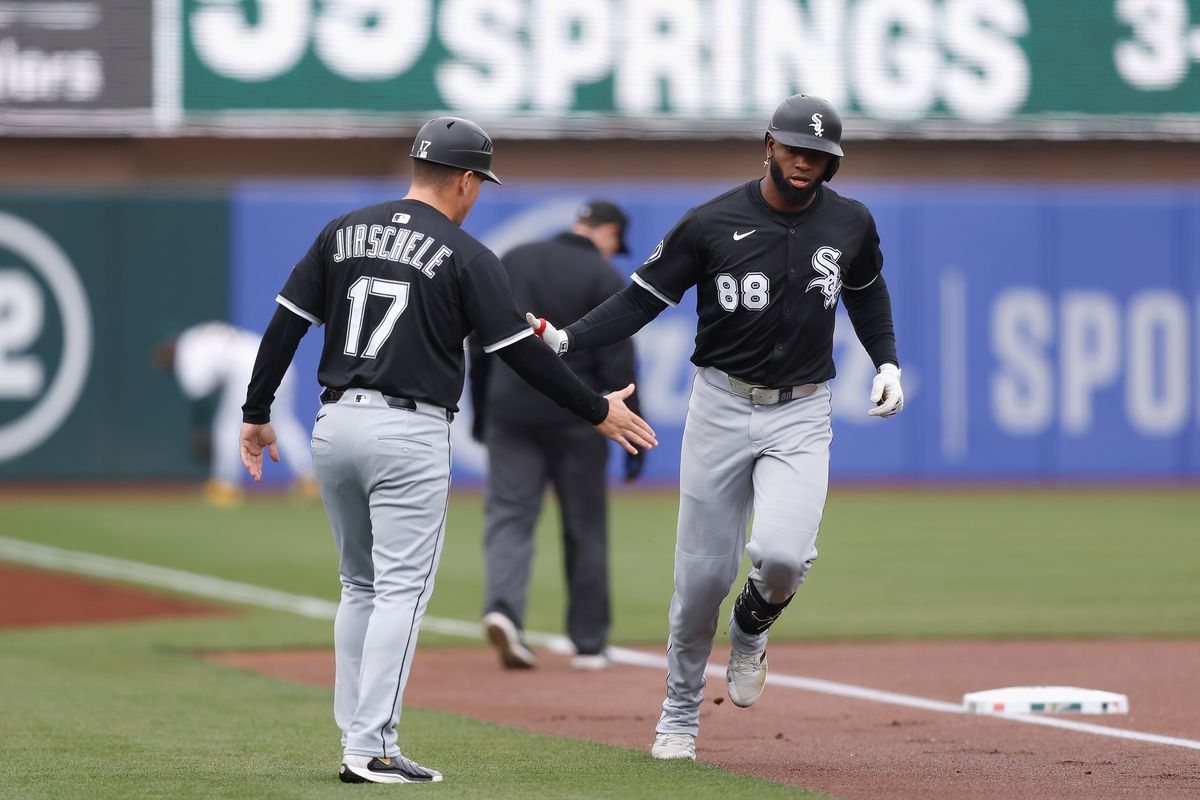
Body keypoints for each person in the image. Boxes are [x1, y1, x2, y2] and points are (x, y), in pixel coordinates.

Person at [237, 116, 656, 785]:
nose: (478, 193)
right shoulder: (465, 253)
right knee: (401, 589)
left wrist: (257, 411)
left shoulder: (342, 231)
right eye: (479, 182)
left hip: (335, 422)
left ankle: (356, 735)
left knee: (360, 585)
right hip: (408, 431)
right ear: (465, 180)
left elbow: (286, 321)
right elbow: (518, 356)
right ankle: (370, 747)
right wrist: (597, 408)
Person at [526, 94, 904, 761]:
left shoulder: (850, 221)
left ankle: (753, 624)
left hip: (802, 408)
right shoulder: (711, 221)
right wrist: (569, 340)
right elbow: (640, 298)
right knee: (701, 578)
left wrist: (888, 362)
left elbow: (867, 290)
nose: (805, 163)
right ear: (768, 144)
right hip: (722, 406)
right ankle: (678, 714)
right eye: (795, 149)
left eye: (819, 155)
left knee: (783, 556)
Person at [469, 200, 643, 672]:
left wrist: (481, 411)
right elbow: (618, 366)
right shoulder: (604, 278)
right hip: (581, 416)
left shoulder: (516, 258)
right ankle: (588, 644)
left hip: (511, 409)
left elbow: (481, 338)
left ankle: (503, 610)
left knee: (509, 515)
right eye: (615, 242)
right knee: (584, 526)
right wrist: (633, 431)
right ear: (606, 231)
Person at [152, 321, 316, 507]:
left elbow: (199, 398)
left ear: (172, 344)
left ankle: (225, 485)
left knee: (227, 427)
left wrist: (200, 430)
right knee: (282, 423)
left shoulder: (186, 351)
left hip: (249, 371)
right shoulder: (197, 337)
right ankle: (309, 479)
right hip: (278, 362)